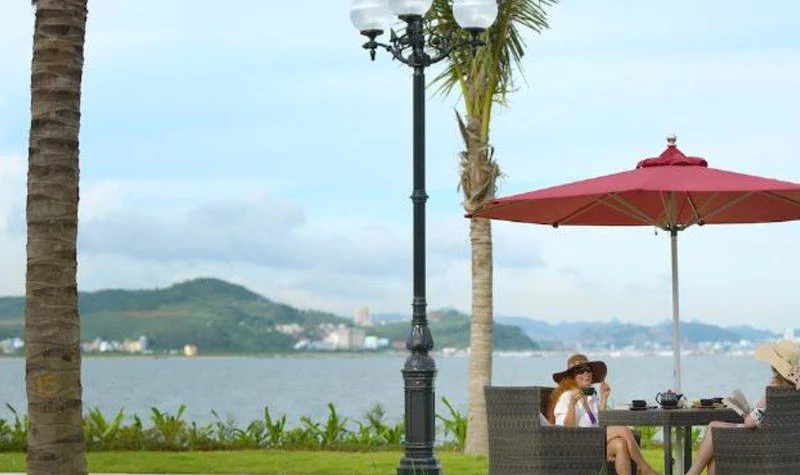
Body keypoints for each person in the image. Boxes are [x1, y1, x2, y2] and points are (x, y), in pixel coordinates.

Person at [685, 340, 800, 475]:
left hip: (760, 445)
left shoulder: (773, 393)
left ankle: (692, 473)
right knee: (717, 455)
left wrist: (748, 415)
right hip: (785, 450)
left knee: (712, 427)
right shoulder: (795, 393)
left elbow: (750, 423)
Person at [547, 354, 660, 475]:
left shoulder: (590, 396)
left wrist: (604, 398)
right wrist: (571, 405)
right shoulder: (566, 396)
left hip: (594, 442)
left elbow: (598, 423)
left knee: (620, 444)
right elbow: (565, 431)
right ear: (572, 376)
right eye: (580, 371)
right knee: (623, 430)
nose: (586, 373)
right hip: (577, 445)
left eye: (588, 369)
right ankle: (644, 468)